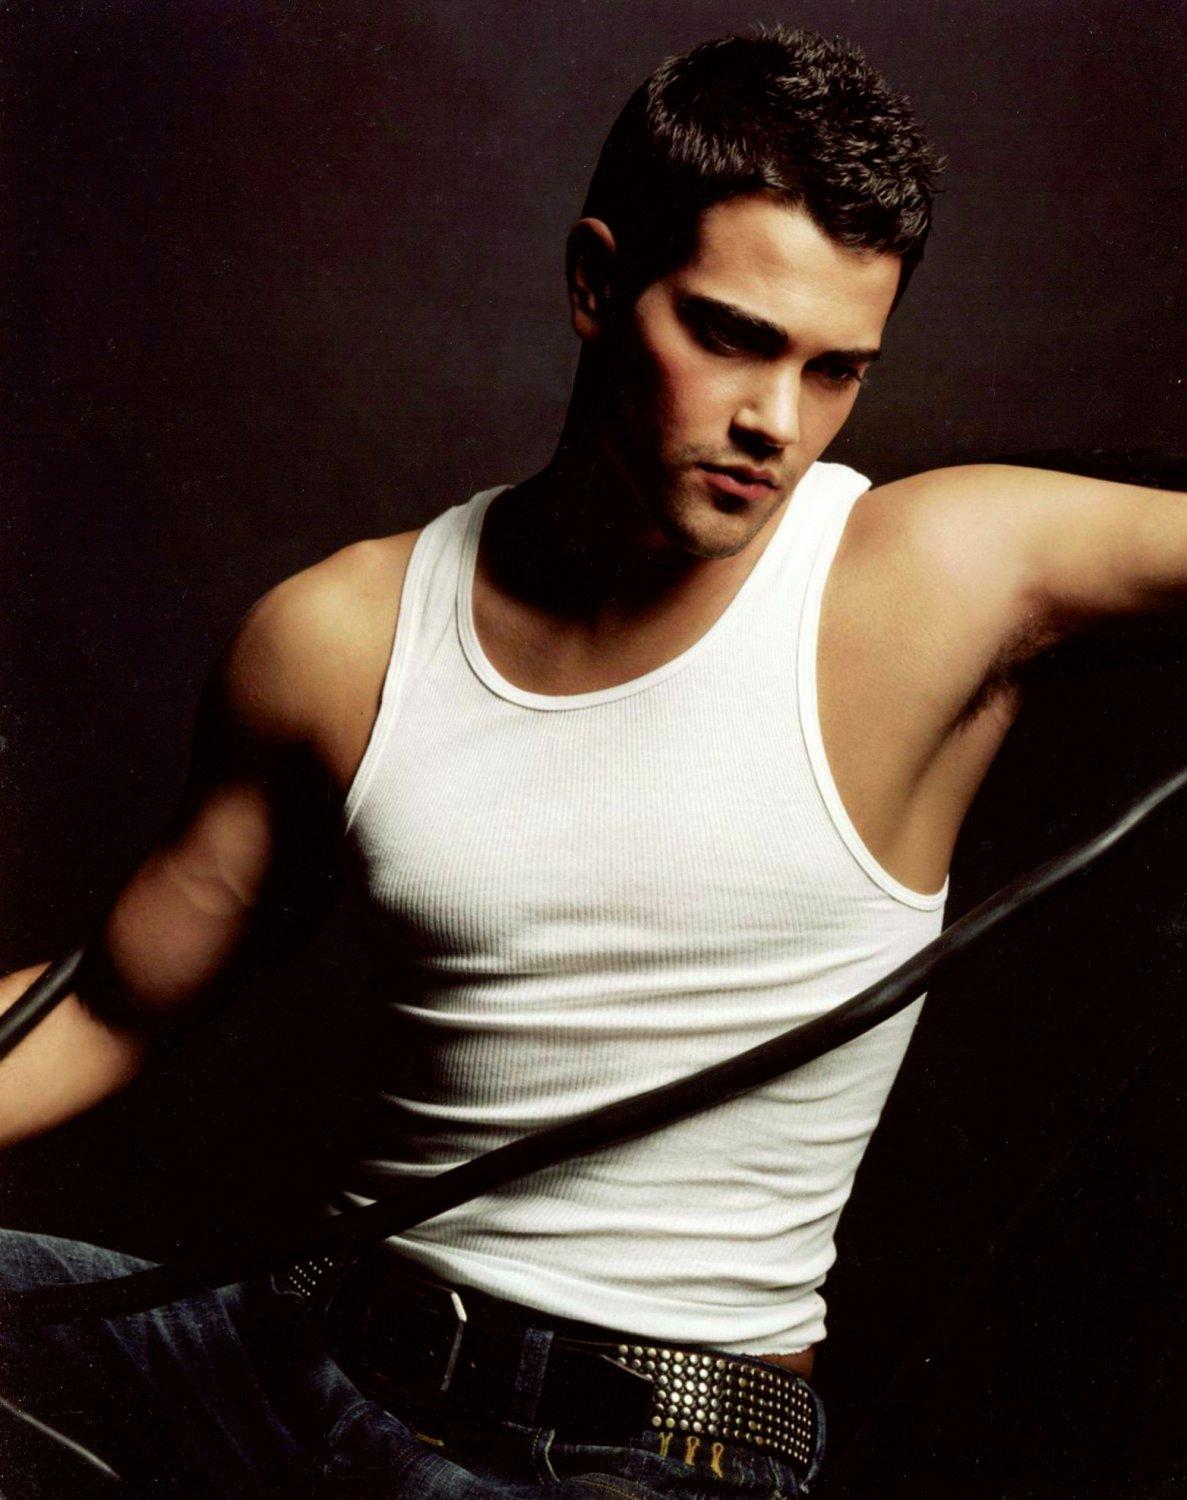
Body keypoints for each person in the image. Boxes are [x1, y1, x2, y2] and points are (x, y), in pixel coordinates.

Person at [0, 23, 1182, 1498]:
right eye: (733, 336)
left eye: (835, 370)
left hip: (639, 1454)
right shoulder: (345, 634)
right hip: (300, 1365)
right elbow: (107, 1002)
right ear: (594, 282)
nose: (776, 423)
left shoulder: (938, 577)